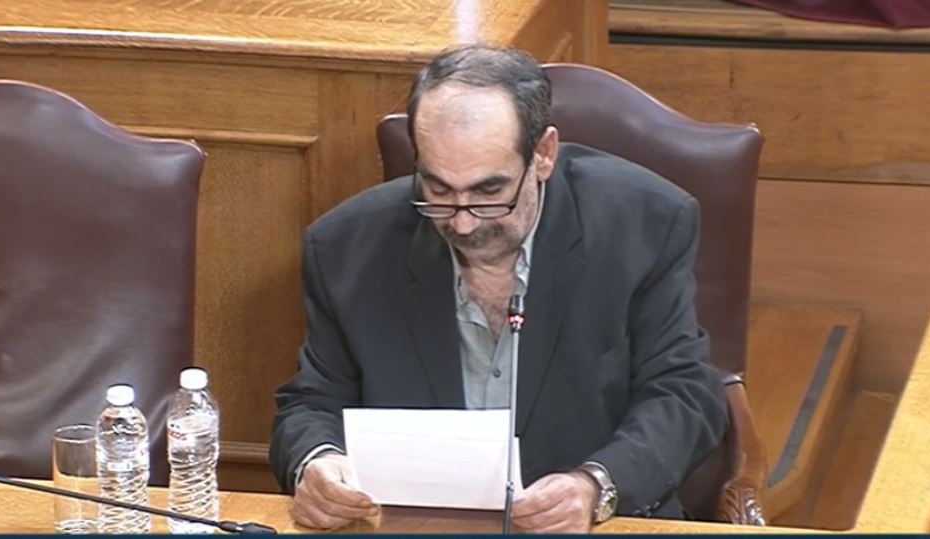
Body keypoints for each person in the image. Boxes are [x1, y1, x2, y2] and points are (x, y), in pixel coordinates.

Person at [270, 44, 727, 533]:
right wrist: (317, 462)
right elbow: (311, 404)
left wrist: (595, 485)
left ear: (543, 154)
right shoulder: (346, 248)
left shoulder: (645, 224)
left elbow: (683, 394)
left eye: (489, 193)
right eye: (438, 190)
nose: (463, 224)